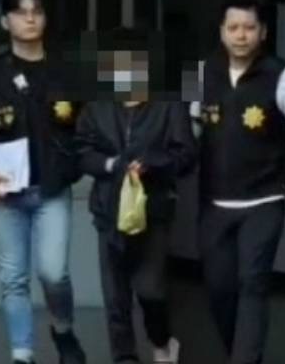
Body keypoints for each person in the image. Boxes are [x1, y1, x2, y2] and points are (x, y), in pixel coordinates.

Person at [0, 0, 87, 364]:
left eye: (36, 11)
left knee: (53, 273)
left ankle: (63, 329)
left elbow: (88, 126)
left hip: (52, 189)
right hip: (7, 191)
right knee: (13, 278)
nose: (30, 18)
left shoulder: (65, 70)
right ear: (5, 21)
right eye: (20, 12)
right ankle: (22, 353)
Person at [194, 0, 285, 364]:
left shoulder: (283, 75)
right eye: (233, 28)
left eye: (249, 27)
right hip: (214, 203)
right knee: (219, 288)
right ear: (221, 32)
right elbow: (189, 129)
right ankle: (244, 355)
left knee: (252, 282)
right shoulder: (199, 72)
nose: (241, 35)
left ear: (263, 32)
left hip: (264, 200)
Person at [76, 30, 198, 364]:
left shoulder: (168, 106)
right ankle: (124, 357)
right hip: (109, 213)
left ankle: (161, 341)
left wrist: (153, 163)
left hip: (152, 214)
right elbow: (81, 151)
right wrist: (111, 164)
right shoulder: (97, 107)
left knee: (150, 290)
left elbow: (187, 156)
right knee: (115, 298)